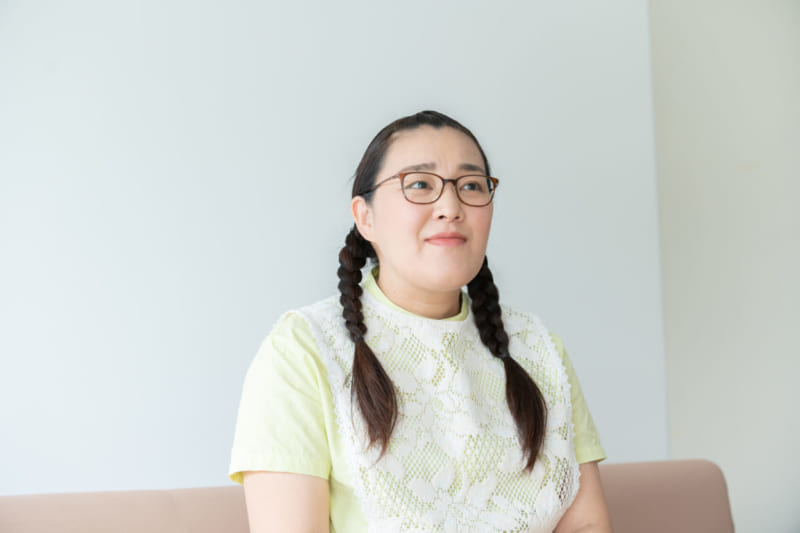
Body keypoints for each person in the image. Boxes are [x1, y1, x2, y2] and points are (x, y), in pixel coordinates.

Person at [229, 110, 613, 532]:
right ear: (365, 216)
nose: (450, 207)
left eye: (471, 186)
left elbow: (587, 526)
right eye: (419, 185)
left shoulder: (538, 349)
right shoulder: (303, 350)